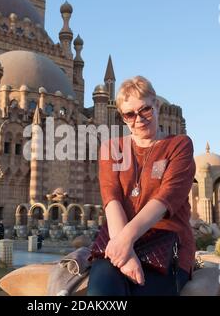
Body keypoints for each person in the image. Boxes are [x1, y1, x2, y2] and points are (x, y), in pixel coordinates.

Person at [87, 76, 196, 296]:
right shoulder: (111, 148)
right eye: (129, 114)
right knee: (102, 292)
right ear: (122, 118)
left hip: (166, 243)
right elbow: (112, 199)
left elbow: (166, 198)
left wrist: (125, 243)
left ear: (156, 105)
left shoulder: (179, 145)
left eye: (145, 110)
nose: (138, 119)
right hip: (119, 238)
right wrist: (125, 253)